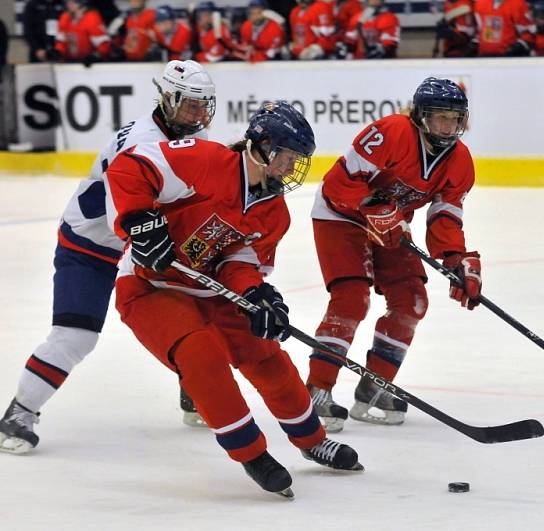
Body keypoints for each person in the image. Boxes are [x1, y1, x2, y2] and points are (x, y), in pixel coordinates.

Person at [105, 101, 363, 496]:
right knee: (200, 354)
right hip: (150, 287)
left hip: (211, 289)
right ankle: (251, 453)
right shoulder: (204, 160)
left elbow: (240, 261)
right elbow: (129, 166)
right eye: (284, 157)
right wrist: (140, 220)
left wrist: (257, 294)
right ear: (259, 146)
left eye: (296, 161)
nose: (288, 169)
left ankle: (312, 440)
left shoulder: (274, 211)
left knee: (266, 353)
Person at [0, 60, 216, 455]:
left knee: (200, 314)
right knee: (75, 335)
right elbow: (128, 213)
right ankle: (20, 412)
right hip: (90, 243)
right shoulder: (142, 143)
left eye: (205, 106)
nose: (200, 115)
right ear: (168, 99)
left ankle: (194, 391)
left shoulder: (181, 132)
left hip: (132, 242)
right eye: (191, 105)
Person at [306, 77, 482, 432]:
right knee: (351, 298)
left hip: (389, 223)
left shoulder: (460, 161)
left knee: (412, 299)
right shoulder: (391, 132)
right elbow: (340, 183)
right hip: (340, 214)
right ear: (420, 116)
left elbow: (445, 217)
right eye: (439, 118)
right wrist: (372, 204)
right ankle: (316, 390)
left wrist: (456, 260)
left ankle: (374, 387)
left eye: (454, 118)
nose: (447, 127)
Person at [473, 0, 537, 56]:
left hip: (508, 59)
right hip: (484, 57)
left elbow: (529, 34)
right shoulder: (480, 3)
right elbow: (480, 31)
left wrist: (518, 47)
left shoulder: (518, 4)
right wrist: (475, 43)